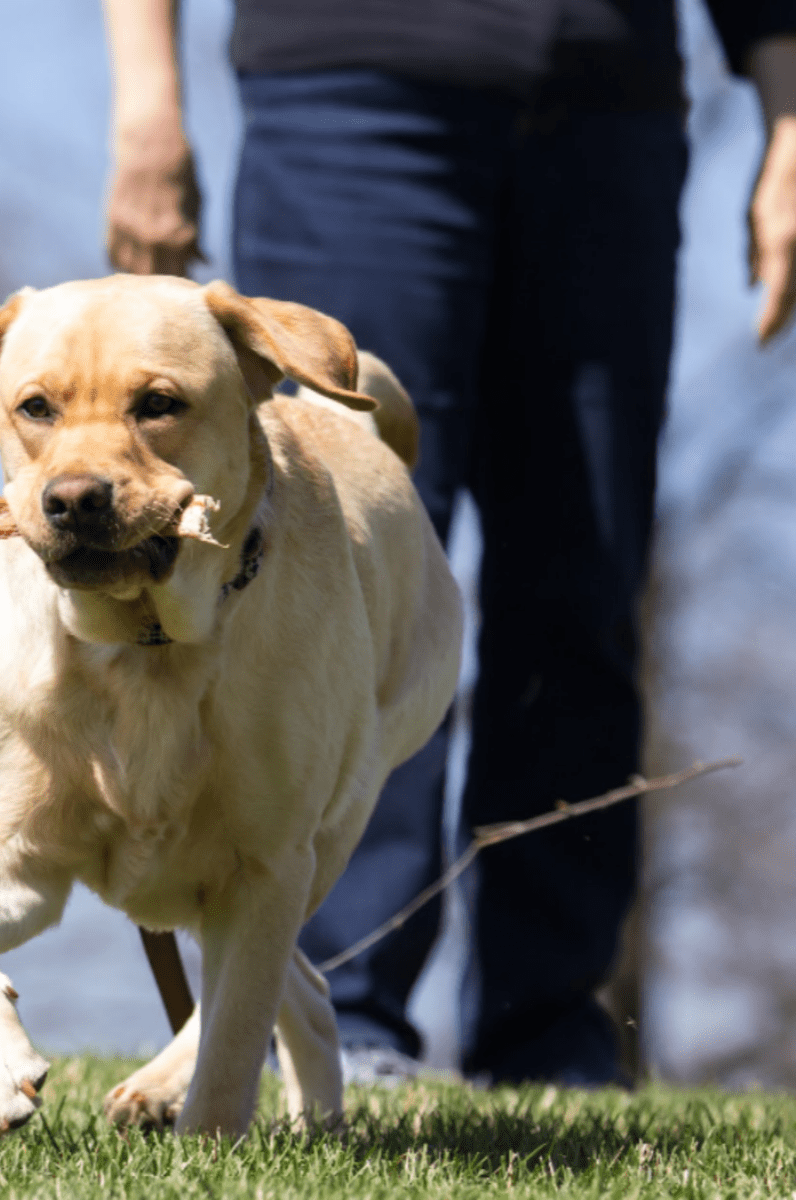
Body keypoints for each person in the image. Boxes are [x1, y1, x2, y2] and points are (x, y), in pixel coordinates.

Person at [102, 0, 796, 1084]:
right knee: (325, 559)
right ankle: (336, 1020)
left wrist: (788, 106)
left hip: (607, 105)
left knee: (584, 577)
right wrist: (148, 103)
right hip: (355, 92)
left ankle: (551, 1037)